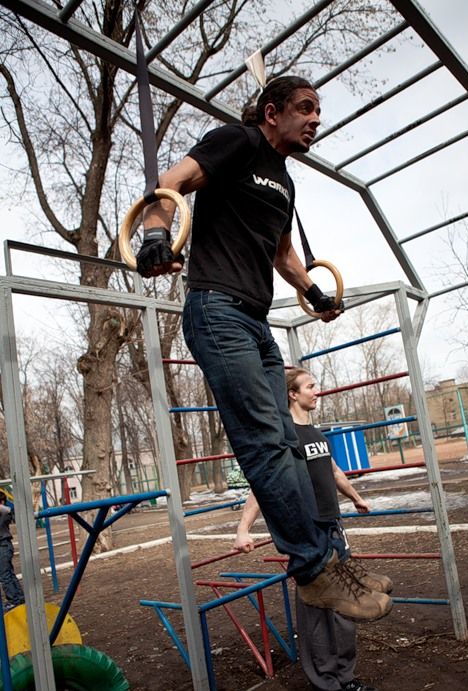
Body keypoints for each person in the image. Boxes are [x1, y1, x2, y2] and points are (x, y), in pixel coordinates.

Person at [136, 75, 391, 621]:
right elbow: (170, 184)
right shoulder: (239, 141)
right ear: (272, 113)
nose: (315, 119)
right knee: (264, 443)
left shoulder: (285, 184)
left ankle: (324, 559)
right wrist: (156, 233)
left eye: (318, 110)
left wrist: (313, 290)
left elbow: (283, 255)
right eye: (305, 108)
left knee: (290, 440)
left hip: (256, 318)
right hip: (216, 308)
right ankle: (314, 567)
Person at [235, 368, 392, 691]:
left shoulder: (315, 431)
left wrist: (355, 497)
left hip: (333, 528)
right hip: (306, 533)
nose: (316, 391)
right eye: (310, 386)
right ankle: (325, 684)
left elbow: (333, 471)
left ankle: (345, 675)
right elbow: (263, 485)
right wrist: (243, 528)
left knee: (348, 606)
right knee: (317, 612)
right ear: (292, 393)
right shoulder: (284, 435)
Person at [0, 490, 25, 611]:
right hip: (4, 546)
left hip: (3, 546)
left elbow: (10, 509)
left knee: (5, 575)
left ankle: (14, 599)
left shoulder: (5, 513)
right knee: (8, 573)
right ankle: (19, 598)